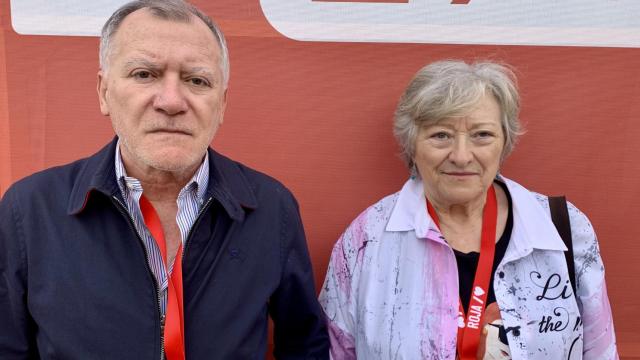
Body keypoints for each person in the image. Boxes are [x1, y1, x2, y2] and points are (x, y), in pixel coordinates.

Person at [0, 1, 328, 358]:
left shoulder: (270, 208)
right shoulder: (30, 210)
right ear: (104, 92)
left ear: (221, 104)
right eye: (145, 74)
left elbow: (304, 344)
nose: (172, 101)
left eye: (197, 80)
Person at [319, 60, 618, 359]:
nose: (461, 156)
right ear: (412, 144)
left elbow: (601, 352)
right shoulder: (366, 240)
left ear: (505, 142)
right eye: (441, 135)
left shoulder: (563, 228)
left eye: (482, 135)